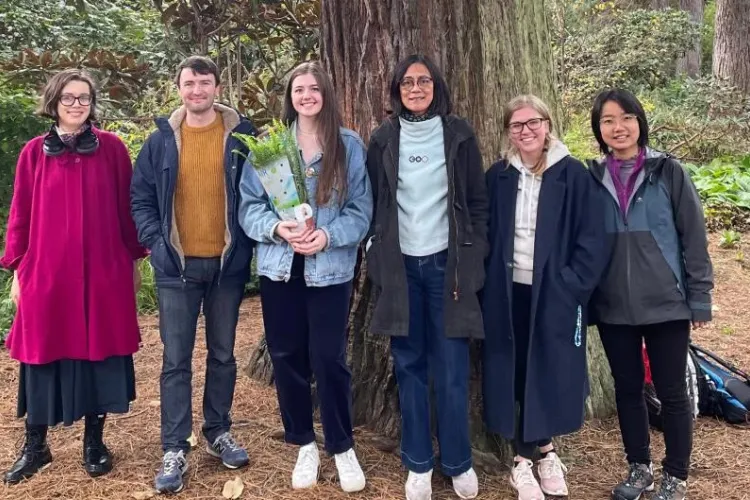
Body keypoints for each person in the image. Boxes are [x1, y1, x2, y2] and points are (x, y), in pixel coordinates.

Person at [0, 69, 145, 483]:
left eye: (84, 98)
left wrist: (134, 258)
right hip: (47, 273)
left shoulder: (113, 149)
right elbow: (20, 213)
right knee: (41, 353)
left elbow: (126, 207)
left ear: (92, 103)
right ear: (54, 102)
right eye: (69, 98)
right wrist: (17, 267)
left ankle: (94, 442)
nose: (77, 105)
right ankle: (36, 445)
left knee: (99, 353)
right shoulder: (32, 153)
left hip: (103, 270)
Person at [238, 61, 371, 493]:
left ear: (326, 94)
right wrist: (278, 228)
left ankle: (341, 443)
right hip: (281, 270)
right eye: (299, 89)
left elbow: (361, 211)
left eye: (314, 88)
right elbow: (249, 207)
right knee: (287, 355)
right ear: (290, 96)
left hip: (329, 271)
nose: (307, 95)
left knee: (329, 357)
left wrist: (328, 237)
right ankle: (304, 442)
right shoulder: (271, 146)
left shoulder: (347, 145)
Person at [130, 56, 256, 494]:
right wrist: (156, 244)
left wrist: (247, 245)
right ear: (179, 88)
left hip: (227, 266)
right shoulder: (161, 141)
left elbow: (264, 191)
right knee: (175, 360)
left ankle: (217, 430)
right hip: (175, 268)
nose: (197, 90)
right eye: (189, 83)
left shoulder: (243, 136)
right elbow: (140, 197)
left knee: (223, 353)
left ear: (217, 88)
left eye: (204, 82)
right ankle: (174, 446)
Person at [365, 54, 487, 500]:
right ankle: (418, 461)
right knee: (409, 365)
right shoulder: (382, 139)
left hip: (448, 268)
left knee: (452, 368)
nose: (416, 89)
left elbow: (477, 203)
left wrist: (475, 259)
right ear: (396, 91)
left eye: (424, 81)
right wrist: (376, 252)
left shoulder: (458, 135)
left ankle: (458, 461)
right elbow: (376, 205)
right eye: (407, 83)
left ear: (437, 86)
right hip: (400, 270)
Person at [588, 88, 713, 500]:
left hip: (667, 303)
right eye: (608, 120)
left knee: (672, 390)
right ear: (599, 129)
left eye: (625, 117)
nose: (617, 127)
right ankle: (638, 468)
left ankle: (675, 476)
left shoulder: (668, 172)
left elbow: (693, 237)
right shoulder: (592, 177)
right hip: (614, 306)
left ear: (639, 121)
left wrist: (699, 297)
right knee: (628, 389)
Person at [482, 94, 608, 500]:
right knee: (515, 370)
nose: (526, 131)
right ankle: (537, 454)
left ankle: (529, 456)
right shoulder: (498, 175)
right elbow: (485, 234)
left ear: (547, 124)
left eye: (533, 122)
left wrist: (571, 284)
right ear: (509, 132)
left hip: (554, 291)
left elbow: (593, 238)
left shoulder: (573, 175)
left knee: (548, 368)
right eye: (517, 125)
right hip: (507, 290)